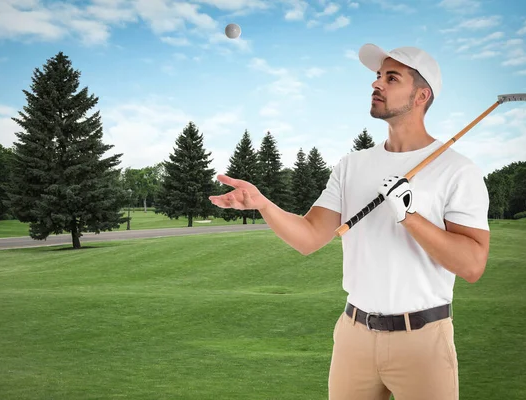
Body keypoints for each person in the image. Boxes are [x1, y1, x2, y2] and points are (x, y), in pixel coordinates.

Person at [209, 43, 490, 400]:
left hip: (422, 339)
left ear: (421, 95)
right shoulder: (351, 166)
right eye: (377, 77)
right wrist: (263, 204)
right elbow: (310, 237)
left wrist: (409, 215)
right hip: (353, 335)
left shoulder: (457, 170)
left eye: (392, 78)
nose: (377, 85)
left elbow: (472, 265)